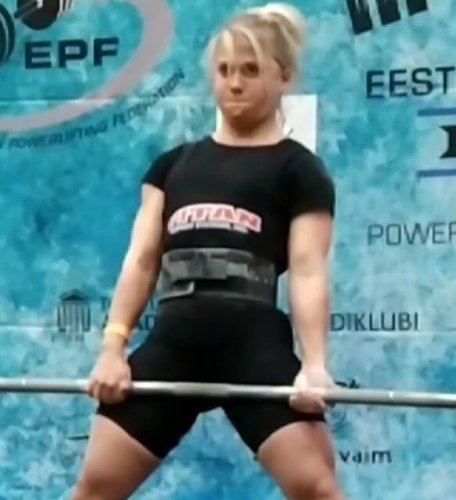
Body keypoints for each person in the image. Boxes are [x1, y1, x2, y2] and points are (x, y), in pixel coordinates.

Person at [71, 3, 343, 499]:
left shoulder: (300, 169)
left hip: (254, 348)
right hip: (175, 344)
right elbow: (142, 261)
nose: (234, 83)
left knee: (316, 488)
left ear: (284, 76)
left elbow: (307, 271)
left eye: (250, 70)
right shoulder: (172, 166)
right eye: (224, 70)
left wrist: (315, 365)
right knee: (94, 488)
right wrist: (112, 350)